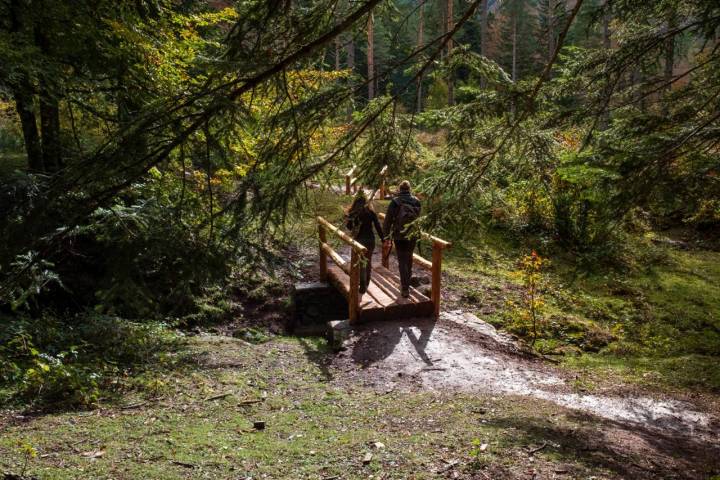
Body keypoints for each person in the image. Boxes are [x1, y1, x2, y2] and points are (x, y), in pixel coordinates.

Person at [383, 180, 421, 298]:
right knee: (409, 259)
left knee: (402, 261)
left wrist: (386, 236)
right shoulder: (416, 201)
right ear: (409, 189)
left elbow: (388, 221)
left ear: (399, 189)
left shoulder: (395, 202)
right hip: (412, 235)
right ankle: (406, 285)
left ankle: (405, 288)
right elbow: (418, 218)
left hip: (399, 235)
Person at [345, 191, 383, 294]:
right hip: (370, 239)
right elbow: (378, 226)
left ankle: (362, 285)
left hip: (359, 240)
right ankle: (366, 282)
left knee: (361, 263)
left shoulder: (353, 212)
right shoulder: (370, 212)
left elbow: (348, 227)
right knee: (368, 261)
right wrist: (383, 239)